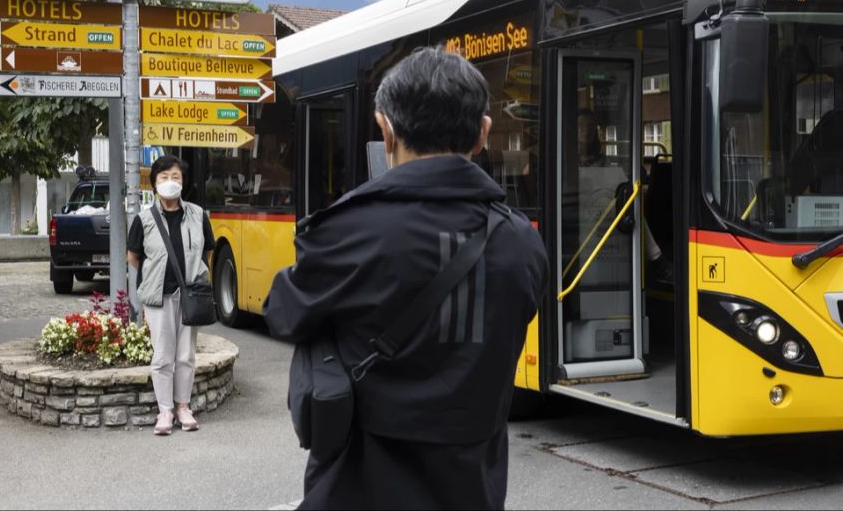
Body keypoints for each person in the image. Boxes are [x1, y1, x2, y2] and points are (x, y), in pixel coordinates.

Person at [264, 46, 548, 510]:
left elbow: (284, 314)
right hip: (474, 489)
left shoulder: (350, 229)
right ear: (483, 134)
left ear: (386, 130)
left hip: (357, 489)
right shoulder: (522, 242)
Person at [127, 154, 216, 436]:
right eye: (164, 177)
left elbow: (208, 251)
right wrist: (157, 275)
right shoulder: (144, 219)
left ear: (182, 182)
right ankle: (165, 410)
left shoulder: (198, 215)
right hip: (158, 297)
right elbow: (133, 257)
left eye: (175, 177)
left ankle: (183, 407)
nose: (170, 182)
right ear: (154, 183)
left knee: (186, 355)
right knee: (163, 356)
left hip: (189, 295)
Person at [576, 108, 673, 282]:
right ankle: (656, 259)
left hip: (603, 208)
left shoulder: (603, 160)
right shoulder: (564, 162)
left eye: (591, 126)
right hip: (577, 213)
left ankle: (656, 259)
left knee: (631, 205)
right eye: (581, 125)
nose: (587, 130)